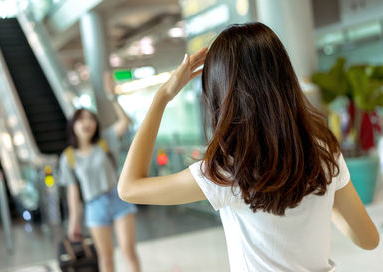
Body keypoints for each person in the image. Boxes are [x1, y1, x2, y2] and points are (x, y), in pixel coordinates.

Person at [117, 23, 380, 271]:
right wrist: (322, 196)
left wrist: (162, 97)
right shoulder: (322, 151)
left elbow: (128, 188)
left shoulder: (227, 171)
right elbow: (368, 239)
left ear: (221, 93)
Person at [59, 78, 140, 272]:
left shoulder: (106, 140)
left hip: (118, 198)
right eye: (81, 119)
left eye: (91, 118)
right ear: (73, 125)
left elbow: (124, 122)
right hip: (94, 205)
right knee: (105, 257)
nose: (87, 122)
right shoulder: (68, 157)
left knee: (128, 251)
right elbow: (73, 192)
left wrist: (113, 96)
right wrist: (74, 222)